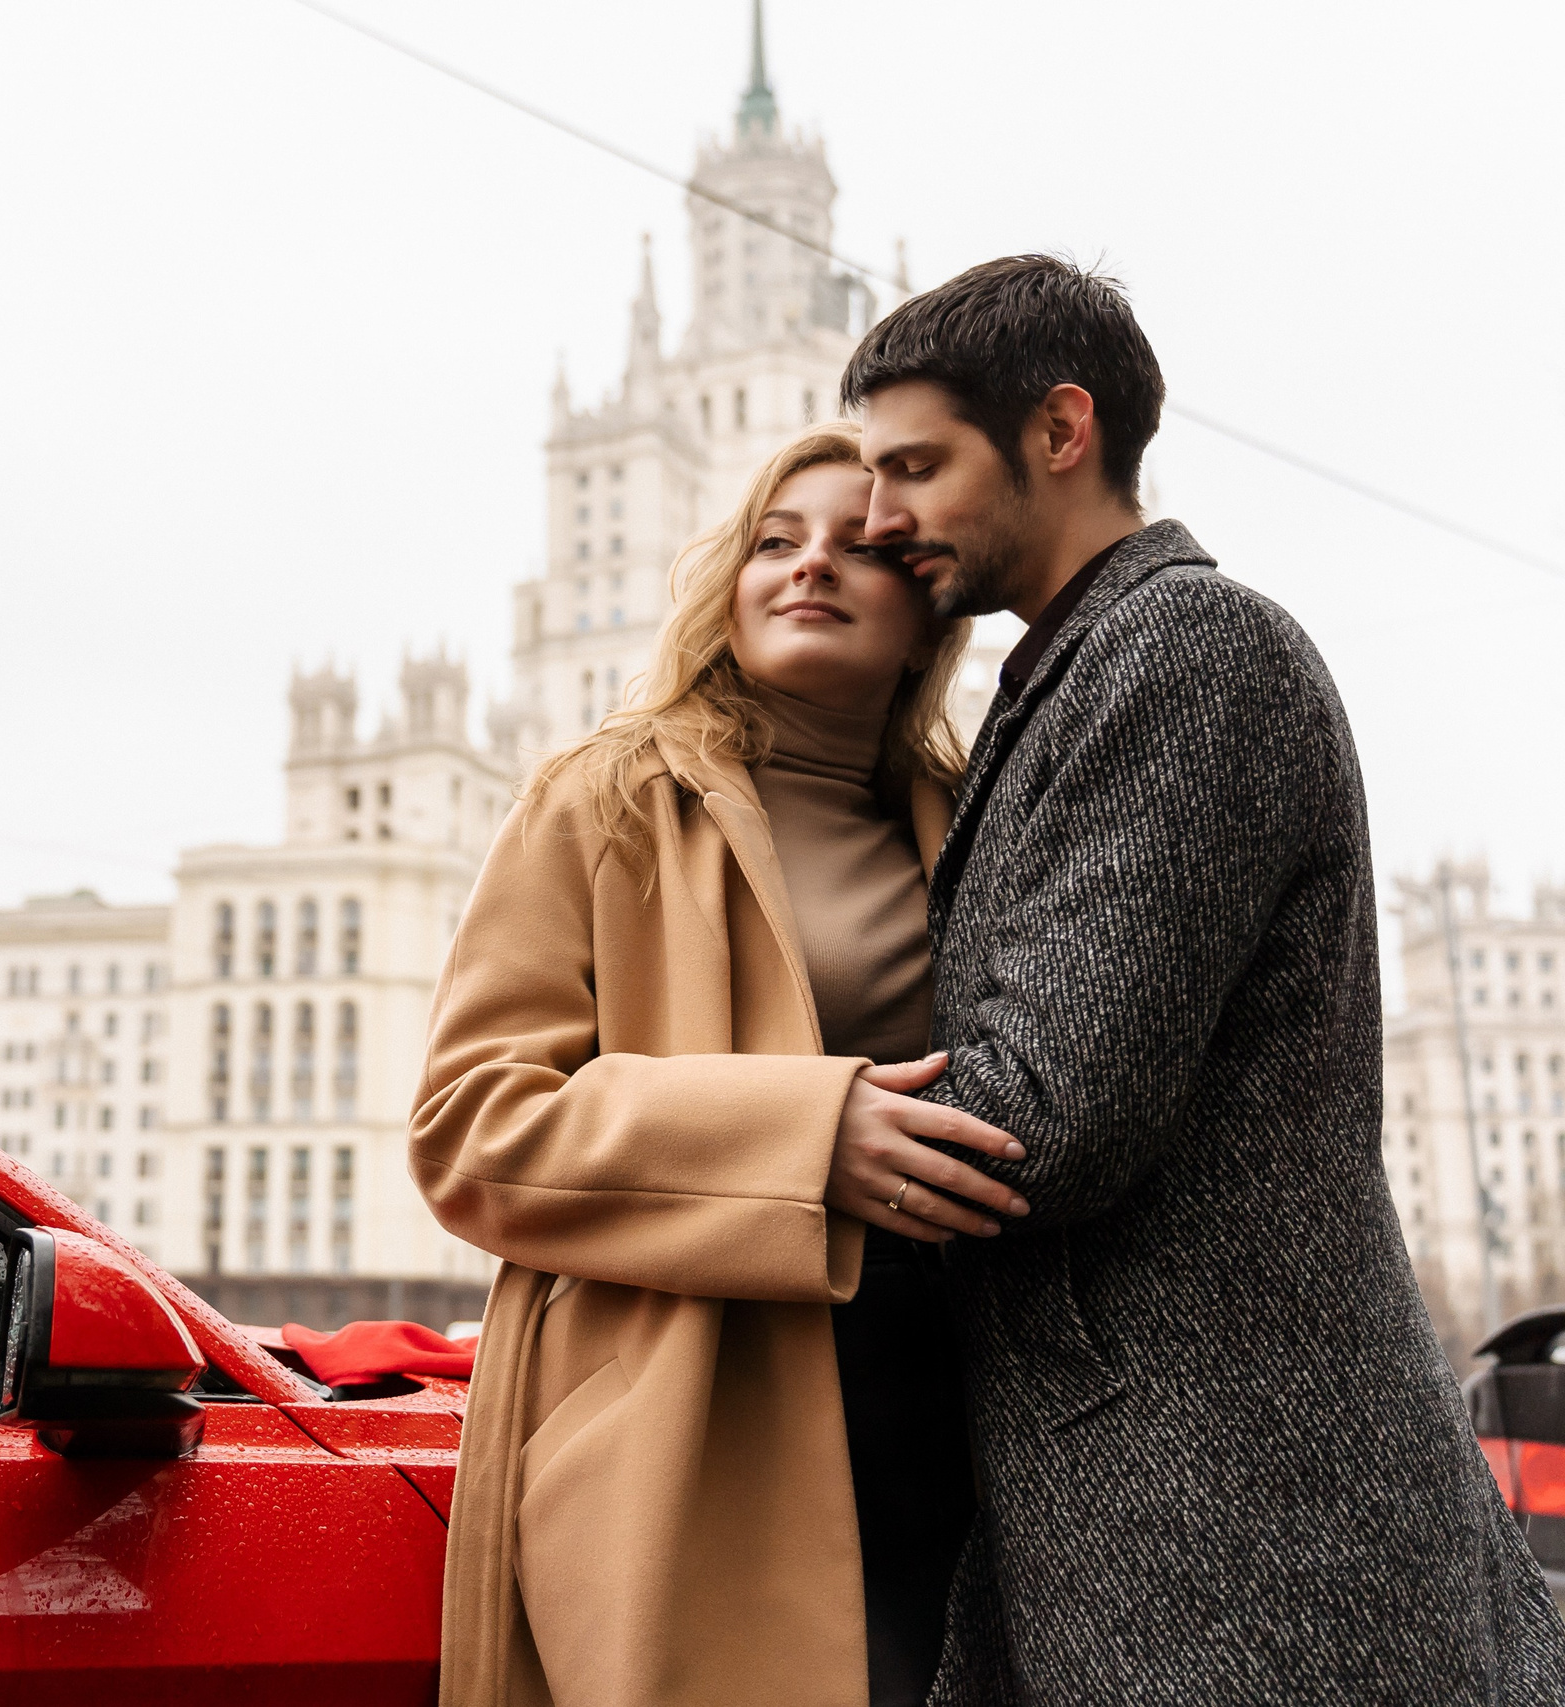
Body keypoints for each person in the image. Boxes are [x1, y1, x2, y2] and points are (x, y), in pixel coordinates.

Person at [842, 254, 1565, 1702]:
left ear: (1062, 429)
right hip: (1149, 1514)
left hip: (1249, 1528)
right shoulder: (1063, 673)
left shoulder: (1192, 652)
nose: (876, 518)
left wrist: (761, 1133)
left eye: (914, 465)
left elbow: (1043, 1112)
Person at [412, 420, 1029, 1707]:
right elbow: (471, 1127)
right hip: (685, 1431)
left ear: (926, 608)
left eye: (856, 546)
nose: (806, 567)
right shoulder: (601, 795)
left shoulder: (975, 814)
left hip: (947, 1423)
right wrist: (808, 1141)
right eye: (772, 540)